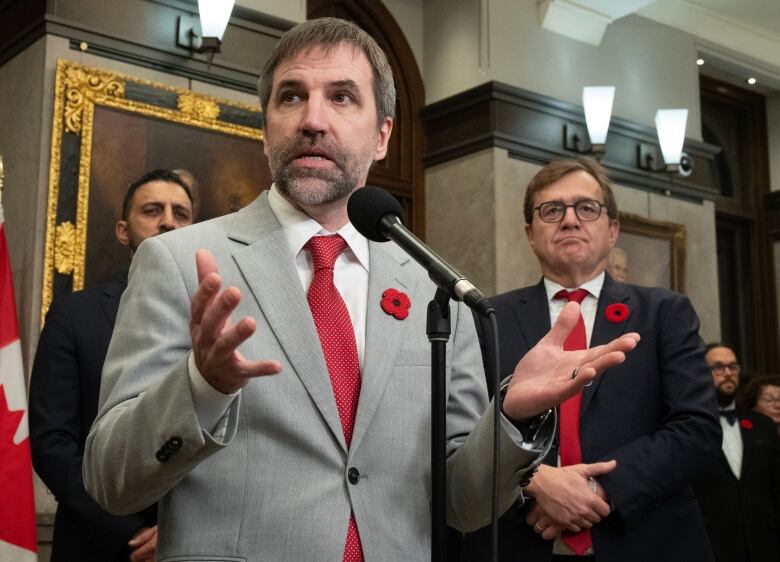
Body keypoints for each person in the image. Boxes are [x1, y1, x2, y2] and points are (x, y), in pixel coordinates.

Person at [82, 19, 639, 562]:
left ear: (381, 136)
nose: (313, 120)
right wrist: (200, 388)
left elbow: (464, 505)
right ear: (265, 127)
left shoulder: (433, 285)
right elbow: (111, 480)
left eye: (343, 97)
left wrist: (511, 419)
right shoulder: (179, 261)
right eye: (291, 97)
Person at [468, 158, 721, 562]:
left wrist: (594, 493)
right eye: (552, 210)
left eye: (587, 208)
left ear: (613, 230)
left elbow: (697, 429)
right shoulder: (486, 319)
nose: (570, 221)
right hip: (521, 541)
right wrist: (533, 480)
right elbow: (465, 430)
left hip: (648, 540)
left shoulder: (664, 313)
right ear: (531, 234)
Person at [28, 169, 194, 562]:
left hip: (195, 542)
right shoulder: (75, 314)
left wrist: (177, 532)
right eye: (152, 210)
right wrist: (133, 534)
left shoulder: (221, 316)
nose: (168, 220)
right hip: (97, 545)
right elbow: (53, 442)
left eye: (181, 213)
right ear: (123, 231)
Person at [692, 344, 780, 562]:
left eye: (733, 367)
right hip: (714, 545)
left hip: (765, 544)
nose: (728, 373)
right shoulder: (689, 427)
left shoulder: (763, 425)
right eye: (719, 367)